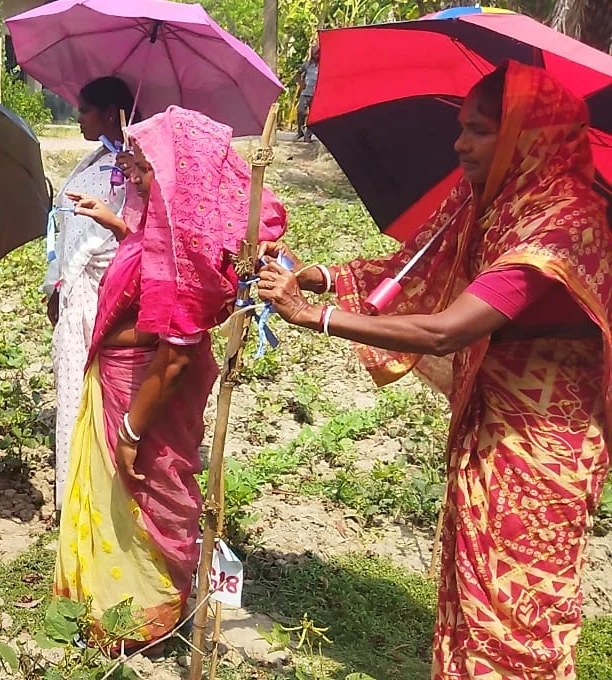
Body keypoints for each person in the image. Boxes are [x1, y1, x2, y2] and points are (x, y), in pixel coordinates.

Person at [256, 62, 611, 678]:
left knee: (521, 599)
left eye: (479, 130)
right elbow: (413, 267)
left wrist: (314, 315)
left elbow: (448, 329)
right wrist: (312, 275)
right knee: (478, 587)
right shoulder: (494, 201)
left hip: (544, 441)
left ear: (528, 137)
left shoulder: (562, 224)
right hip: (495, 420)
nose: (460, 144)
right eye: (461, 127)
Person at [55, 106, 285, 646]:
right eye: (132, 165)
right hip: (123, 379)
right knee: (120, 497)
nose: (133, 178)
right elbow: (145, 261)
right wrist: (115, 224)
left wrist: (131, 432)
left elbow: (174, 355)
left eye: (143, 168)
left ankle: (140, 614)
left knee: (142, 490)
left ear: (180, 175)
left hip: (142, 393)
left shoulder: (184, 257)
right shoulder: (164, 230)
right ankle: (106, 603)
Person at [43, 76, 137, 510]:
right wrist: (57, 286)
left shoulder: (137, 168)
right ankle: (75, 499)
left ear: (111, 114)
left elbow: (135, 235)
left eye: (84, 110)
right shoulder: (96, 158)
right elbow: (70, 229)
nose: (78, 118)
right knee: (74, 396)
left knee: (106, 398)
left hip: (107, 297)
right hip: (77, 295)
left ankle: (102, 499)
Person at [295, 44, 320, 142]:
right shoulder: (307, 65)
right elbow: (297, 74)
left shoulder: (323, 65)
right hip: (305, 93)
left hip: (316, 95)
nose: (317, 55)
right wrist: (301, 83)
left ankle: (308, 135)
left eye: (318, 53)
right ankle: (300, 132)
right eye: (315, 53)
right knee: (300, 111)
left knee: (313, 117)